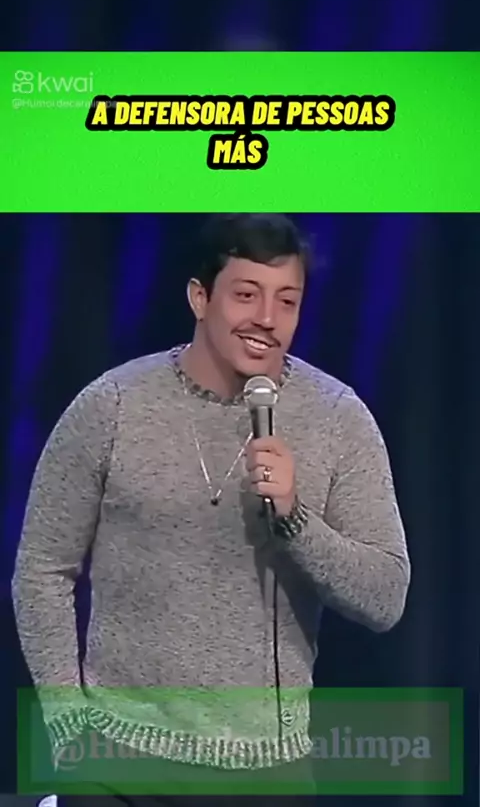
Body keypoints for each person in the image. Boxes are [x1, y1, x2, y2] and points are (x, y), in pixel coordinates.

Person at [12, 214, 411, 806]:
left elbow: (385, 595)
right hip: (115, 761)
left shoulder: (337, 419)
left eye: (287, 301)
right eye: (246, 295)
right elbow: (42, 570)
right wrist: (69, 723)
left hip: (265, 771)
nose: (267, 319)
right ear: (200, 297)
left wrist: (296, 517)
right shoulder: (113, 406)